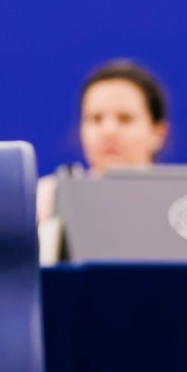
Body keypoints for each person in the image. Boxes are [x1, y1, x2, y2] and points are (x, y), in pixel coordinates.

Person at [36, 60, 170, 259]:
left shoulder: (178, 206)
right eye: (95, 119)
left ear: (158, 133)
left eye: (125, 118)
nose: (108, 131)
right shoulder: (46, 199)